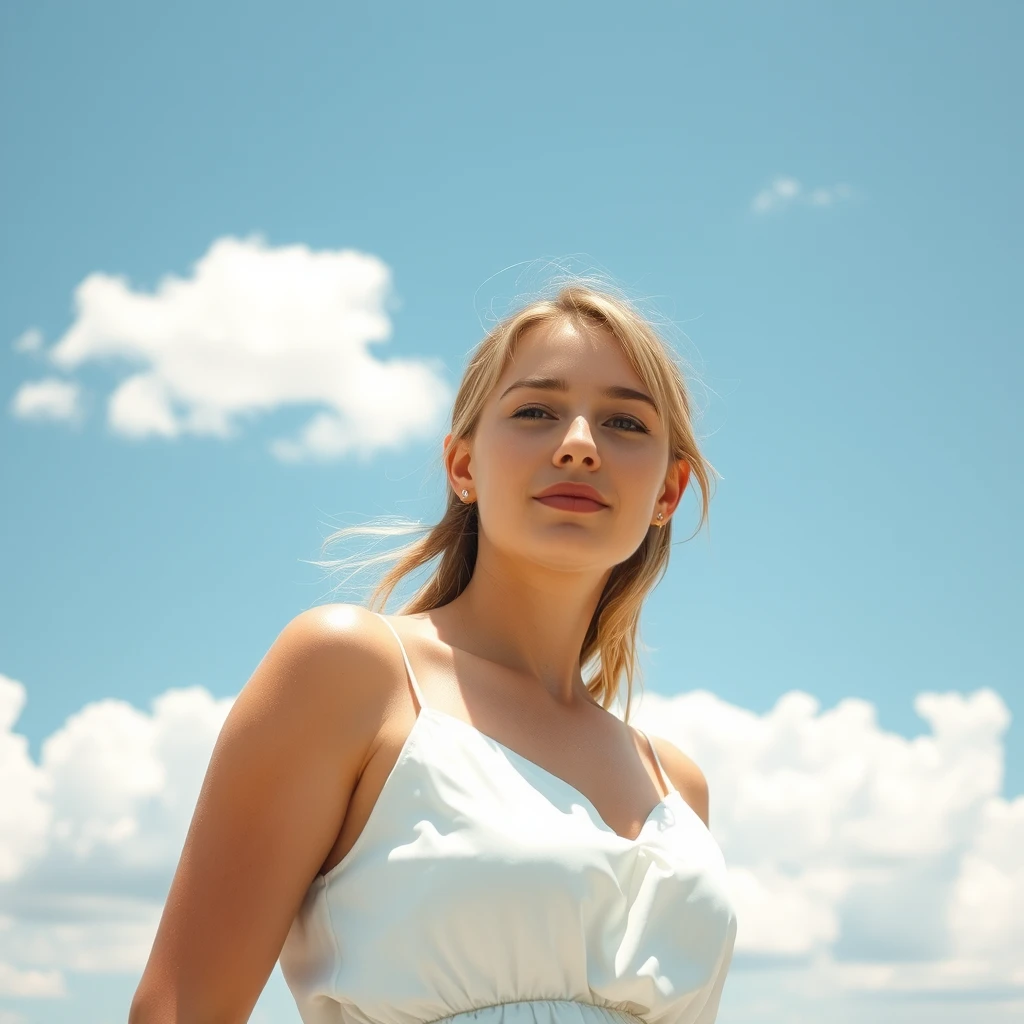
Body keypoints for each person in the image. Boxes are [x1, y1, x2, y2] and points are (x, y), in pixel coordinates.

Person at [129, 282, 738, 1024]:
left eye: (623, 422)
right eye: (536, 411)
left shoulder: (677, 786)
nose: (579, 442)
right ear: (463, 468)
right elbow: (178, 1009)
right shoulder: (353, 673)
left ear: (669, 491)